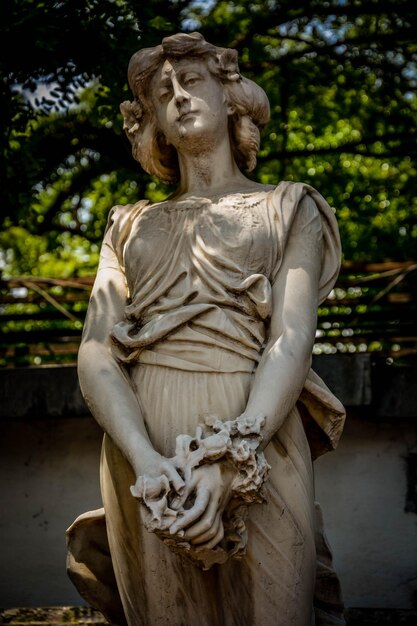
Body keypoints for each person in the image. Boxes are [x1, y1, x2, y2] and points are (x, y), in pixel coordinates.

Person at [67, 32, 346, 626]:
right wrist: (146, 461)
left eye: (194, 82)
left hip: (258, 441)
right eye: (164, 93)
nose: (180, 96)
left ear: (232, 98)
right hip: (144, 454)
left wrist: (232, 457)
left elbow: (290, 340)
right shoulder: (128, 224)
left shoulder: (289, 207)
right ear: (155, 126)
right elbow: (95, 356)